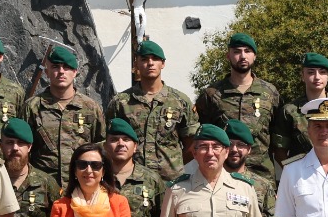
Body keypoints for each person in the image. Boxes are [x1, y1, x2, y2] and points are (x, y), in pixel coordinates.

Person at [195, 32, 282, 183]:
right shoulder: (212, 94)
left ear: (254, 56)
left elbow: (277, 136)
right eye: (237, 51)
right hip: (223, 175)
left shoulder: (270, 92)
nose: (242, 56)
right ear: (228, 56)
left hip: (262, 176)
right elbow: (203, 134)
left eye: (247, 51)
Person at [107, 39, 198, 182]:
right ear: (136, 64)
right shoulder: (121, 102)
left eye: (155, 59)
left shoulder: (180, 101)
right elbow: (108, 142)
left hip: (171, 182)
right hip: (132, 181)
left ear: (163, 63)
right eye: (144, 59)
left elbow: (191, 144)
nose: (150, 63)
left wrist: (174, 164)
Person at [26, 45, 105, 187]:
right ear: (47, 72)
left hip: (80, 186)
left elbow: (101, 146)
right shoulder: (33, 107)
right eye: (55, 67)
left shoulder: (90, 108)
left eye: (67, 67)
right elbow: (23, 148)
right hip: (42, 187)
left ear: (75, 72)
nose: (61, 72)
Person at [272, 53, 328, 165]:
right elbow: (280, 152)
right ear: (302, 76)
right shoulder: (290, 111)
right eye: (311, 72)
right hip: (301, 178)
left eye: (322, 72)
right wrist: (293, 174)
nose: (317, 77)